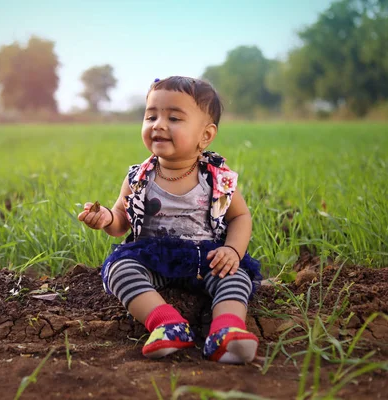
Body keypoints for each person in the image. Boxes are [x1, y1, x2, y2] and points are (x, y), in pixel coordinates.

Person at [77, 76, 262, 364]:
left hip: (207, 257)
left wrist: (233, 251)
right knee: (119, 268)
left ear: (206, 135)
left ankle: (227, 330)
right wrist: (105, 219)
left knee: (235, 275)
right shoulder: (138, 178)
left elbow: (240, 216)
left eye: (174, 118)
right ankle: (166, 324)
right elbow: (121, 220)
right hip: (153, 256)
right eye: (151, 116)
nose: (159, 124)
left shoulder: (218, 178)